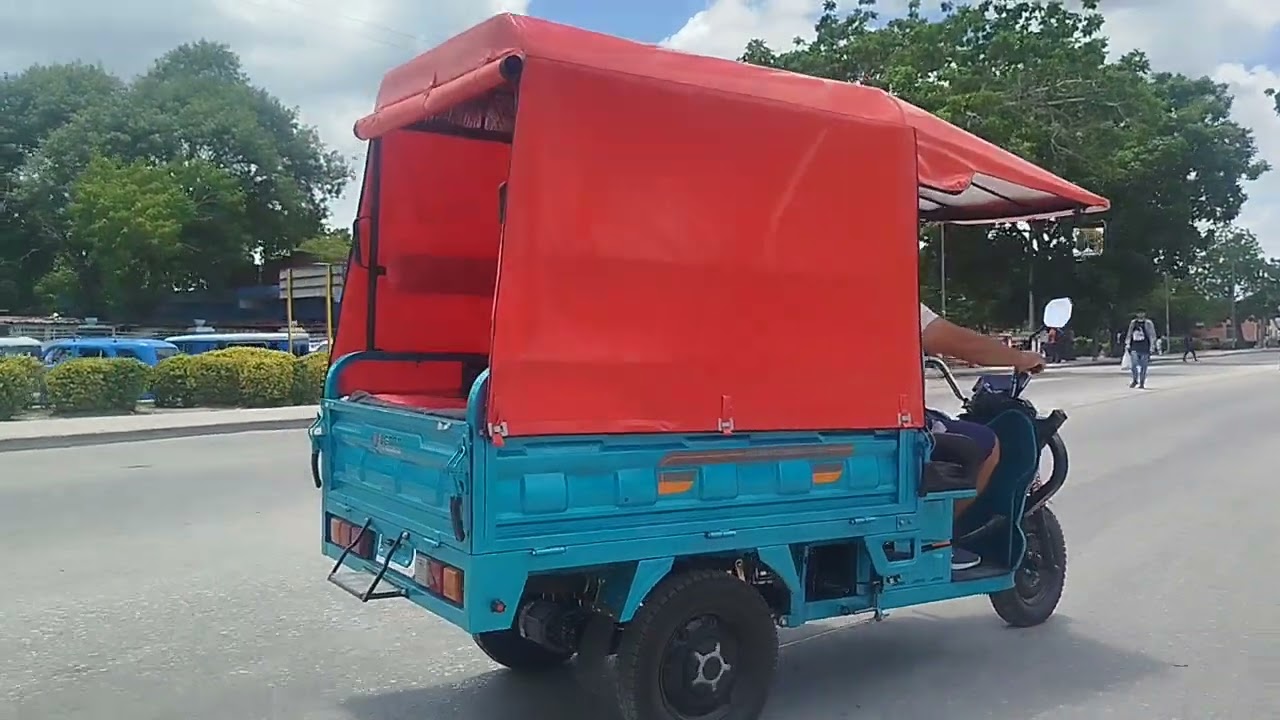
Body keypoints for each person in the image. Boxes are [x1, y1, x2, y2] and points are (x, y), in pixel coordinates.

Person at [920, 303, 1045, 570]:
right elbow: (963, 344)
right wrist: (1020, 358)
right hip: (885, 419)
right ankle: (935, 540)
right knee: (984, 443)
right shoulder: (888, 296)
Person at [1124, 308, 1157, 388]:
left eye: (1142, 313)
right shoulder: (1133, 323)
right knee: (1134, 365)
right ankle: (1135, 379)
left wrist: (1152, 346)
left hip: (1145, 346)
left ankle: (1142, 382)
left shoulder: (1148, 323)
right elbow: (1129, 333)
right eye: (1139, 313)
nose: (1140, 314)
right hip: (1134, 346)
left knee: (1143, 366)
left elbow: (1152, 335)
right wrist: (1127, 343)